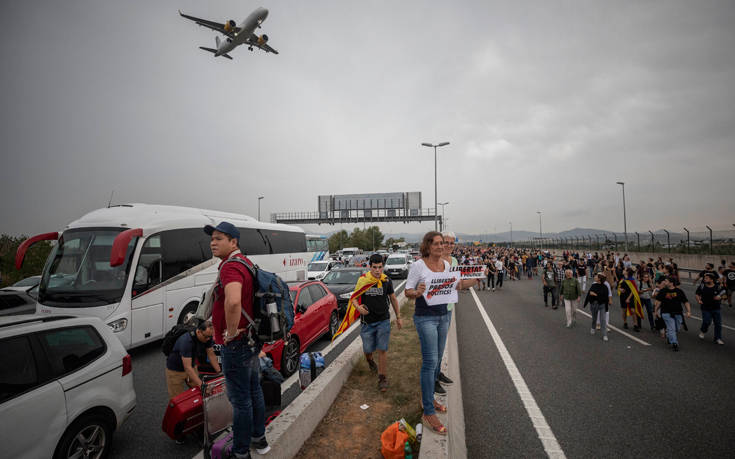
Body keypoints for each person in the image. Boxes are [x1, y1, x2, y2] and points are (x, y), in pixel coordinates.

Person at [206, 221, 269, 458]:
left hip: (237, 343)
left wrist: (231, 332)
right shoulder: (246, 263)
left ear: (234, 242)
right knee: (254, 391)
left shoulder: (230, 267)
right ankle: (260, 440)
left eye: (219, 238)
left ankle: (241, 452)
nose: (213, 242)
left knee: (240, 399)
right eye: (212, 238)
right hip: (251, 339)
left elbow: (233, 301)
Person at [405, 231, 476, 435]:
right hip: (425, 318)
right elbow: (407, 291)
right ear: (427, 246)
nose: (440, 246)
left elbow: (458, 285)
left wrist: (478, 278)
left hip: (444, 317)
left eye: (442, 243)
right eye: (436, 243)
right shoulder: (418, 265)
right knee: (430, 361)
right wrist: (416, 293)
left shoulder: (446, 266)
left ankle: (428, 398)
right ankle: (428, 411)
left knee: (436, 362)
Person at [353, 253, 402, 392]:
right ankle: (370, 361)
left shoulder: (386, 280)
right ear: (370, 267)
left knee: (382, 349)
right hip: (367, 323)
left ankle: (382, 378)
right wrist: (358, 307)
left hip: (383, 321)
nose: (377, 270)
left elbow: (393, 299)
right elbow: (354, 298)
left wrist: (398, 317)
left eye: (380, 267)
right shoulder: (363, 280)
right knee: (368, 349)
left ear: (383, 267)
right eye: (374, 267)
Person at [165, 320, 220, 399]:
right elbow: (187, 368)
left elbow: (211, 355)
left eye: (210, 337)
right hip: (175, 371)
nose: (208, 339)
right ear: (199, 332)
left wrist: (219, 373)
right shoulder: (186, 341)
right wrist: (202, 386)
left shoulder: (207, 336)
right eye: (206, 337)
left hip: (191, 366)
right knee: (178, 399)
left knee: (200, 394)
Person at [654, 276, 692, 352]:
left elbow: (686, 302)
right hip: (666, 313)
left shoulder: (679, 291)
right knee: (672, 328)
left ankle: (669, 336)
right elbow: (659, 302)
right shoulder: (663, 291)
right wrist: (655, 311)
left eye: (666, 281)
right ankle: (675, 343)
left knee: (677, 328)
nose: (664, 282)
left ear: (671, 283)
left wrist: (688, 311)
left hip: (678, 313)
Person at [696, 273, 725, 345]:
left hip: (716, 308)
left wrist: (720, 297)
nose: (704, 279)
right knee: (707, 321)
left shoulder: (718, 287)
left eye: (706, 278)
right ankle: (703, 331)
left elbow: (724, 294)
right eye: (704, 278)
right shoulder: (702, 286)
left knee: (718, 324)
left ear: (711, 279)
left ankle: (718, 338)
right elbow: (697, 294)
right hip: (705, 308)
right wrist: (699, 300)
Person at [584, 274, 609, 341]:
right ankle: (593, 327)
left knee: (603, 320)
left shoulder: (605, 287)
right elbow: (589, 294)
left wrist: (595, 294)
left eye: (596, 277)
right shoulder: (593, 285)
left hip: (602, 305)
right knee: (594, 318)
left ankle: (604, 335)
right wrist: (585, 303)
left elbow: (605, 298)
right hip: (594, 304)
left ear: (599, 279)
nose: (594, 277)